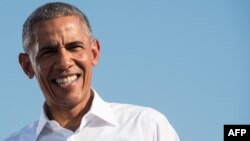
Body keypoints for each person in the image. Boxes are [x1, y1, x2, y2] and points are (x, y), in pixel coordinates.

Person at [4, 2, 180, 141]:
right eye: (49, 52)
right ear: (27, 66)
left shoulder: (146, 128)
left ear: (94, 53)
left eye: (74, 47)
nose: (64, 63)